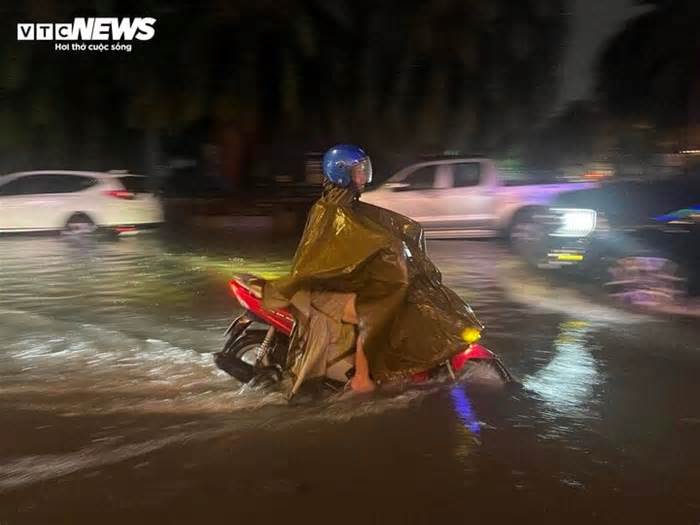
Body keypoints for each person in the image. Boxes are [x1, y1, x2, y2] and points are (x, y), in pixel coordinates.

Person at [262, 145, 483, 398]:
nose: (363, 177)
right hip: (321, 292)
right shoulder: (330, 210)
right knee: (374, 310)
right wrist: (390, 247)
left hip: (342, 285)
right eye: (358, 171)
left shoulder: (349, 205)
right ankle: (361, 379)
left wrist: (405, 235)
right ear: (341, 173)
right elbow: (360, 245)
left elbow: (366, 240)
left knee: (392, 302)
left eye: (364, 170)